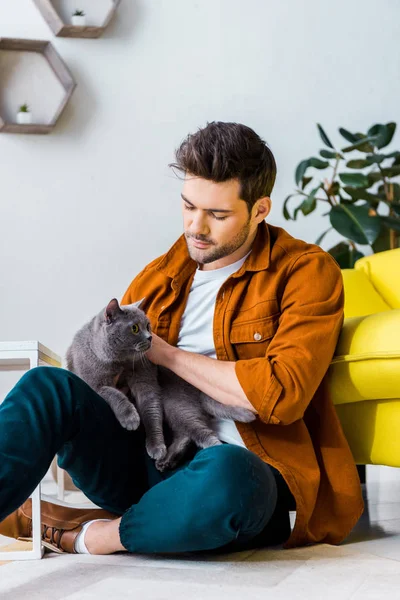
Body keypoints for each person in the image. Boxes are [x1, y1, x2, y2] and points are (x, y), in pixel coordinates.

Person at [0, 121, 364, 556]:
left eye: (218, 214)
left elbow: (281, 395)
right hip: (146, 461)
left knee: (229, 475)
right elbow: (111, 382)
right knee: (47, 386)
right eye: (189, 207)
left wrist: (168, 355)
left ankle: (94, 536)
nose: (196, 226)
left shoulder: (305, 272)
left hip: (242, 469)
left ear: (260, 208)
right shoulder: (160, 276)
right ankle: (152, 520)